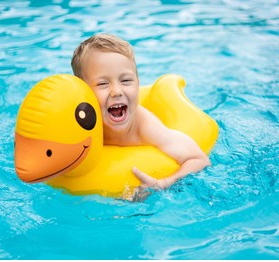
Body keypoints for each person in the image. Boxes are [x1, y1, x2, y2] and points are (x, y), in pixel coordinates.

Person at [71, 33, 210, 194]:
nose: (117, 91)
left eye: (126, 81)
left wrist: (162, 183)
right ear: (83, 92)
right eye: (103, 83)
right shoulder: (77, 125)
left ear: (137, 84)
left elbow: (198, 159)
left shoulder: (144, 126)